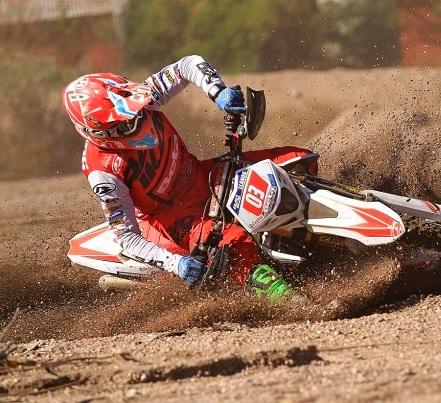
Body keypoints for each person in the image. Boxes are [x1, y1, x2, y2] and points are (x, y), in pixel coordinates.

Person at [62, 55, 315, 302]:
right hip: (175, 217)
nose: (134, 124)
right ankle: (294, 303)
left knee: (299, 160)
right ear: (94, 132)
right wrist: (177, 263)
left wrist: (218, 92)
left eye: (133, 115)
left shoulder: (143, 97)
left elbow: (186, 65)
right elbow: (127, 238)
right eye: (121, 125)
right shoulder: (102, 172)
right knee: (234, 247)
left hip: (204, 175)